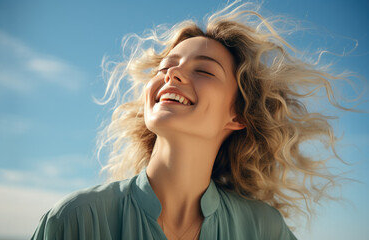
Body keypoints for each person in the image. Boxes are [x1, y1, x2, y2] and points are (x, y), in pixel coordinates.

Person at [31, 1, 352, 239]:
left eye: (203, 70)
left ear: (238, 113)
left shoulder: (264, 230)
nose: (172, 74)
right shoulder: (77, 221)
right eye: (165, 68)